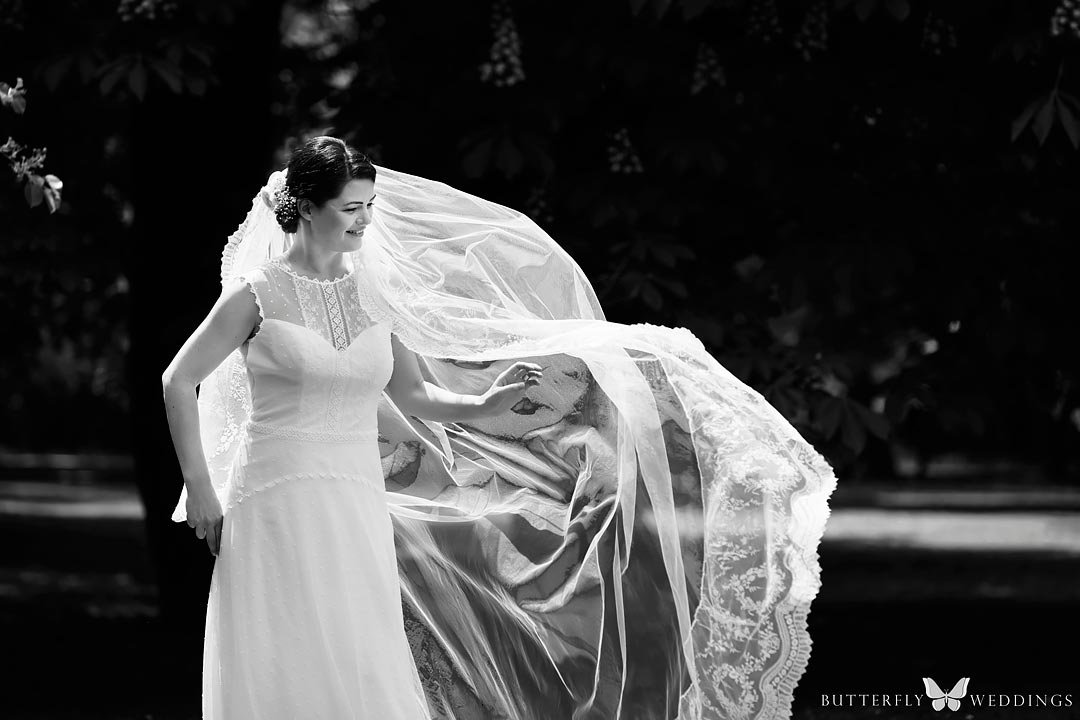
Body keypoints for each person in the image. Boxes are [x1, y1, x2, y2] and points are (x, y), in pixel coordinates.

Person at [164, 136, 838, 720]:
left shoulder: (371, 294)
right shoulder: (256, 294)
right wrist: (201, 485)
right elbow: (177, 380)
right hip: (274, 493)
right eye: (350, 209)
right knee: (279, 639)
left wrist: (484, 402)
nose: (364, 223)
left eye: (370, 207)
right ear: (306, 208)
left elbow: (414, 395)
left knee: (358, 640)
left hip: (353, 495)